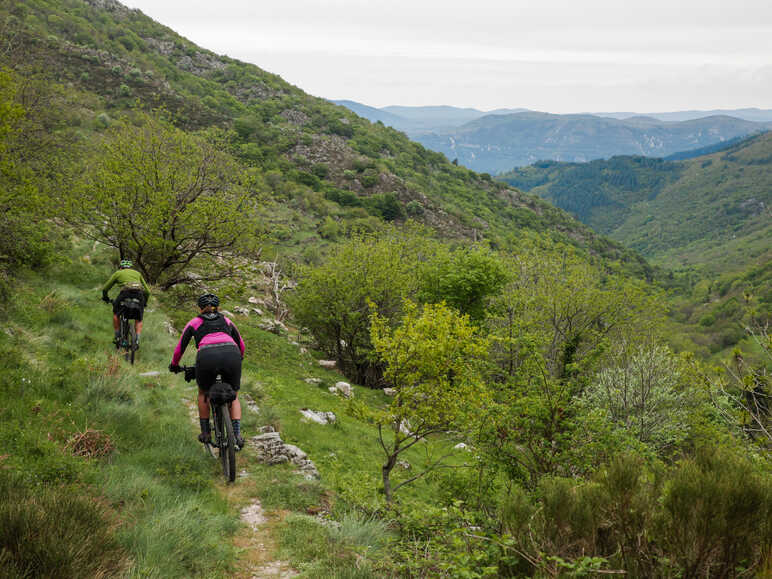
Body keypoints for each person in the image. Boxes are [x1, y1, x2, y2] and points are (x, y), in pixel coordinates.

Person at [168, 293, 245, 448]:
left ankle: (206, 433)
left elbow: (179, 348)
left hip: (207, 356)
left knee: (203, 392)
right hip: (232, 353)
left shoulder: (194, 322)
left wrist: (174, 365)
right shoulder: (227, 320)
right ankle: (236, 434)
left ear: (200, 308)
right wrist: (239, 358)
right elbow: (241, 344)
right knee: (234, 395)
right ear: (218, 307)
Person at [102, 259, 150, 347]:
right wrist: (145, 302)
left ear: (121, 267)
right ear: (130, 268)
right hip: (139, 296)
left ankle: (117, 336)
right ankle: (137, 340)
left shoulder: (118, 273)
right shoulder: (137, 273)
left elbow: (105, 288)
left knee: (116, 314)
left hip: (125, 295)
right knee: (139, 319)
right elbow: (147, 291)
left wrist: (105, 297)